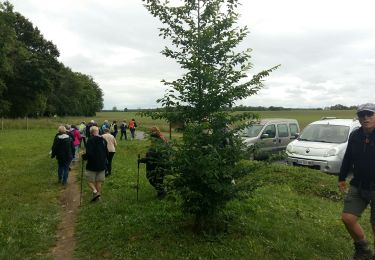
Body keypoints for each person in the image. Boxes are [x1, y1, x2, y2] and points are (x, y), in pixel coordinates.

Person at [339, 103, 375, 259]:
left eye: (369, 114)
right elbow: (347, 157)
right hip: (358, 183)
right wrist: (341, 177)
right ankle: (363, 250)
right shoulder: (355, 135)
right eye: (362, 115)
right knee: (348, 218)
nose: (365, 118)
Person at [139, 126, 169, 198]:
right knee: (159, 179)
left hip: (156, 165)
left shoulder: (156, 145)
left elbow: (151, 157)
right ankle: (160, 194)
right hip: (163, 163)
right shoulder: (163, 139)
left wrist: (143, 160)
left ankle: (162, 192)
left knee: (151, 178)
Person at [82, 126, 109, 202]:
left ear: (91, 132)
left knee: (89, 181)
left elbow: (89, 154)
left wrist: (84, 157)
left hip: (92, 165)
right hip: (101, 164)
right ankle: (98, 197)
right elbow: (106, 152)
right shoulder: (103, 140)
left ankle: (95, 192)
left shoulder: (90, 140)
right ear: (97, 131)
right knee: (98, 181)